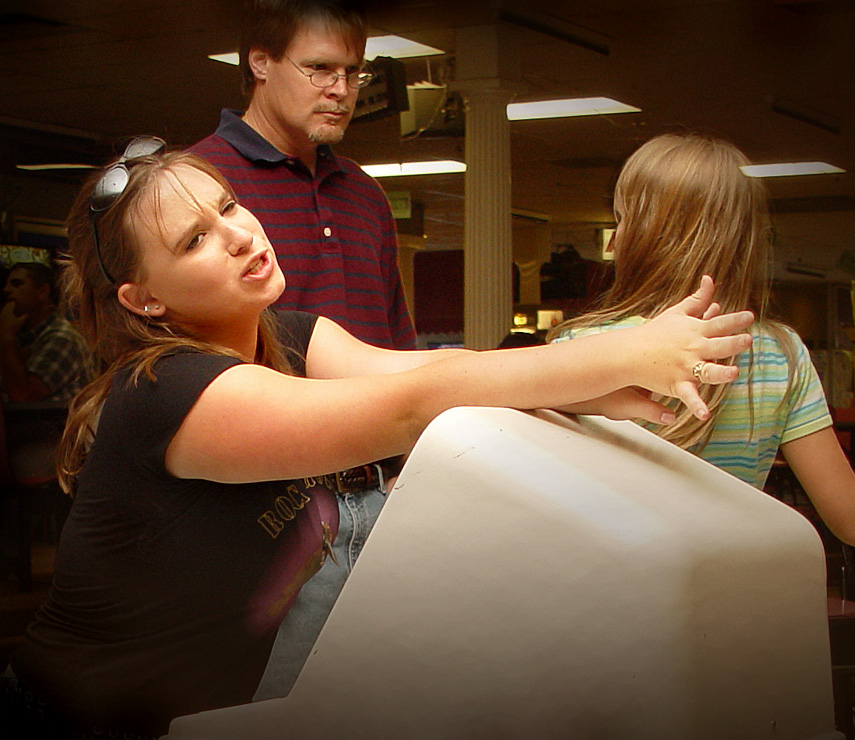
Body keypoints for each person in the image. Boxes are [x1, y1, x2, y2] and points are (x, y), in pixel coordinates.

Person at [1, 143, 754, 738]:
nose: (237, 235)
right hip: (79, 720)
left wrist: (604, 393)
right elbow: (409, 408)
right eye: (195, 239)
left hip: (197, 711)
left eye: (229, 205)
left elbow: (440, 369)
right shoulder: (167, 392)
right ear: (145, 299)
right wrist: (622, 355)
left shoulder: (289, 336)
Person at [550, 132, 855, 569]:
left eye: (623, 219)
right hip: (728, 601)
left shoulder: (582, 345)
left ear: (649, 235)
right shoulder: (782, 354)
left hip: (608, 601)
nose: (613, 241)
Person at [190, 0, 415, 350]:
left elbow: (398, 341)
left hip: (378, 402)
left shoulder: (364, 193)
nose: (341, 90)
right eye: (320, 68)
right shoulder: (197, 181)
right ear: (261, 62)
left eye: (353, 73)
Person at [0, 261, 91, 404]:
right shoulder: (23, 335)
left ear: (42, 291)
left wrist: (5, 337)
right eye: (6, 284)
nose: (6, 290)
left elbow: (21, 396)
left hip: (57, 425)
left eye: (16, 284)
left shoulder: (63, 338)